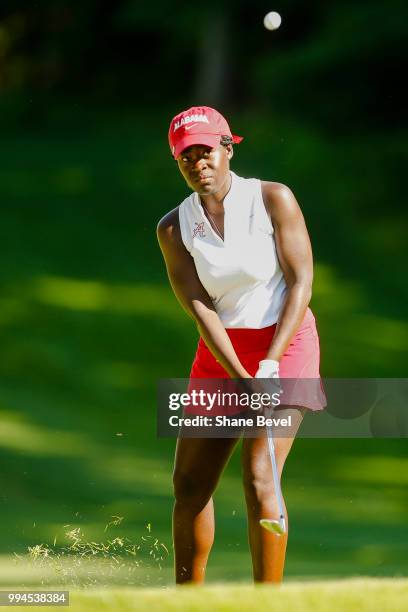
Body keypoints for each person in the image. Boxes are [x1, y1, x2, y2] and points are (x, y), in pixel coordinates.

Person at [157, 106, 326, 584]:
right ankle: (189, 596)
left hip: (286, 344)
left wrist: (269, 364)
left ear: (228, 148)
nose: (197, 163)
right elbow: (200, 308)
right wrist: (238, 374)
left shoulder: (273, 199)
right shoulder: (173, 227)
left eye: (206, 151)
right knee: (189, 485)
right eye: (185, 156)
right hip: (221, 354)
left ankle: (265, 598)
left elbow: (301, 281)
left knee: (259, 477)